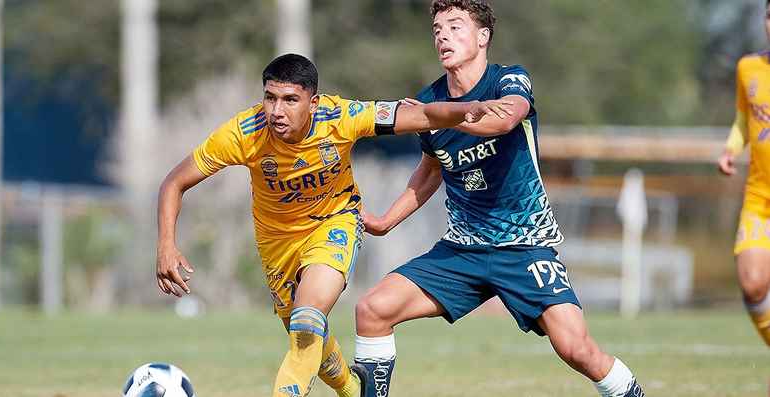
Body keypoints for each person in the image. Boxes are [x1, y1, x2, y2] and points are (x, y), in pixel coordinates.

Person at [155, 53, 513, 397]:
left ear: (313, 102)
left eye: (290, 100)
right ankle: (352, 390)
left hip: (333, 223)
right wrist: (167, 245)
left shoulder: (341, 116)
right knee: (308, 337)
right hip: (276, 244)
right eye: (270, 98)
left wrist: (465, 110)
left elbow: (419, 116)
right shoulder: (243, 133)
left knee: (308, 319)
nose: (277, 111)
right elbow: (174, 182)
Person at [352, 1, 645, 396]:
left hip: (525, 247)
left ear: (483, 36)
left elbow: (505, 119)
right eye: (437, 29)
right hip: (462, 250)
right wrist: (387, 221)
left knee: (578, 350)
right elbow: (430, 169)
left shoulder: (509, 80)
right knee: (372, 310)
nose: (443, 36)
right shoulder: (430, 99)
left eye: (455, 27)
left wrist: (445, 115)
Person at [717, 0, 770, 348]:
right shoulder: (748, 68)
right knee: (752, 282)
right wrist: (730, 150)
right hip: (760, 197)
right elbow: (743, 120)